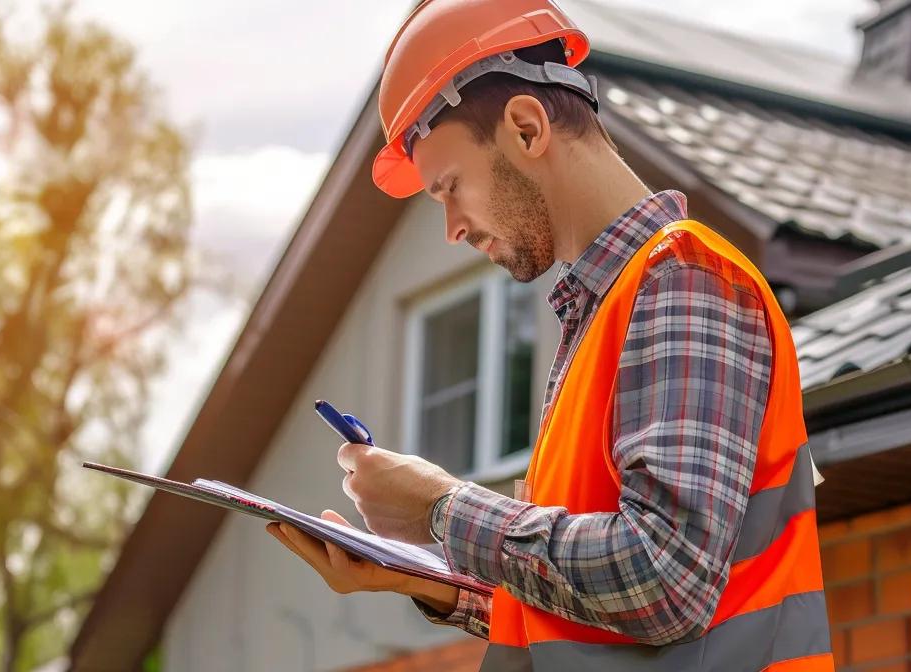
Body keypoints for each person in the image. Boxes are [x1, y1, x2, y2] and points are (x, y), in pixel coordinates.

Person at [264, 1, 832, 670]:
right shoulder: (605, 313)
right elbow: (594, 610)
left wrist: (442, 509)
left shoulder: (684, 277)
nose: (452, 228)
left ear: (527, 129)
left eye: (450, 187)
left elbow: (664, 581)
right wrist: (416, 572)